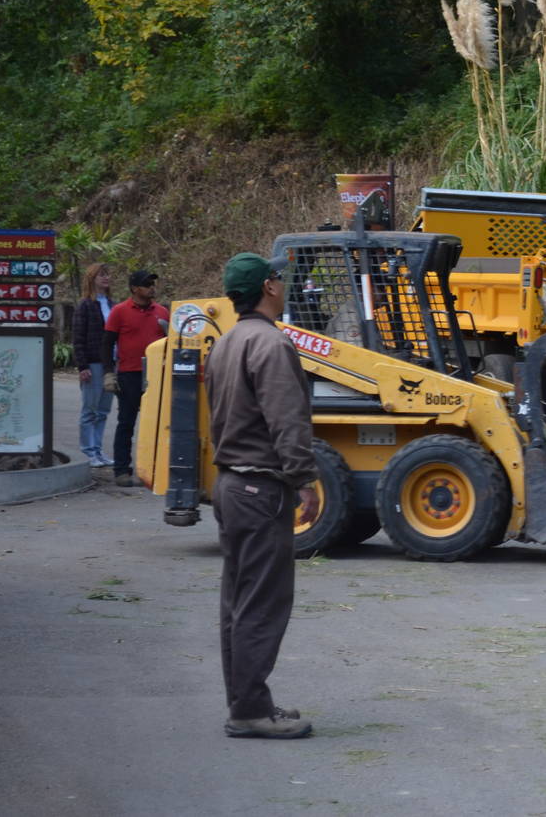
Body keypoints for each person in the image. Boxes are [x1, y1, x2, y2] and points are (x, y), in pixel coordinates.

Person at [205, 252, 320, 740]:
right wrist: (304, 479)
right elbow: (286, 420)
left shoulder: (227, 342)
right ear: (268, 288)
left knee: (238, 601)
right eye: (278, 278)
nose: (282, 283)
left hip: (232, 484)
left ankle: (247, 702)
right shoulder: (270, 344)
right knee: (261, 604)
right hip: (260, 487)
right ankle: (250, 710)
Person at [102, 269, 169, 487]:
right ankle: (122, 470)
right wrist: (109, 373)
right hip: (129, 374)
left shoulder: (162, 312)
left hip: (157, 375)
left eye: (153, 283)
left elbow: (171, 342)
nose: (152, 287)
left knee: (160, 423)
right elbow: (107, 344)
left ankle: (156, 469)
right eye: (147, 284)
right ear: (134, 288)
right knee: (126, 423)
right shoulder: (119, 311)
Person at [72, 263, 117, 468]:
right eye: (101, 275)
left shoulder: (112, 304)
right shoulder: (85, 305)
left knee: (103, 410)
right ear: (92, 279)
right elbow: (78, 338)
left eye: (107, 274)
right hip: (93, 362)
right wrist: (83, 366)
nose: (105, 278)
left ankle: (98, 451)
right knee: (89, 410)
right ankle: (88, 452)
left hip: (112, 363)